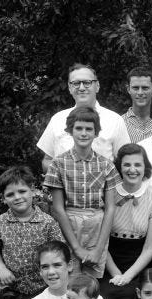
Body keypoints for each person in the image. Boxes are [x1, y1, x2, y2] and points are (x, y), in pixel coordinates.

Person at [99, 143, 152, 299]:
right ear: (119, 167)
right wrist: (116, 273)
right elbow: (102, 241)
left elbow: (150, 248)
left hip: (138, 265)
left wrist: (127, 276)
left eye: (138, 164)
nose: (132, 169)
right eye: (127, 164)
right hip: (108, 262)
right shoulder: (106, 195)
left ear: (145, 168)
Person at [43, 106, 120, 279]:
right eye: (79, 128)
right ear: (70, 130)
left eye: (88, 129)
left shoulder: (106, 165)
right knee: (69, 279)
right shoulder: (58, 164)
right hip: (69, 227)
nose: (83, 133)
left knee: (90, 286)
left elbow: (110, 208)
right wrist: (76, 248)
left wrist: (99, 249)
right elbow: (58, 209)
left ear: (96, 132)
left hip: (97, 228)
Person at [38, 63, 129, 173]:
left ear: (97, 86)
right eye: (76, 83)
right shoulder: (57, 119)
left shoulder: (115, 120)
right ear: (70, 88)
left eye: (87, 83)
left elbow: (125, 161)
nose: (81, 88)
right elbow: (47, 160)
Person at [0, 165, 63, 298]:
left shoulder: (48, 222)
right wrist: (1, 269)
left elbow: (60, 252)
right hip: (12, 291)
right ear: (4, 198)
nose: (17, 197)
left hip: (45, 289)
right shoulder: (0, 223)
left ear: (33, 190)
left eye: (22, 191)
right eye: (10, 194)